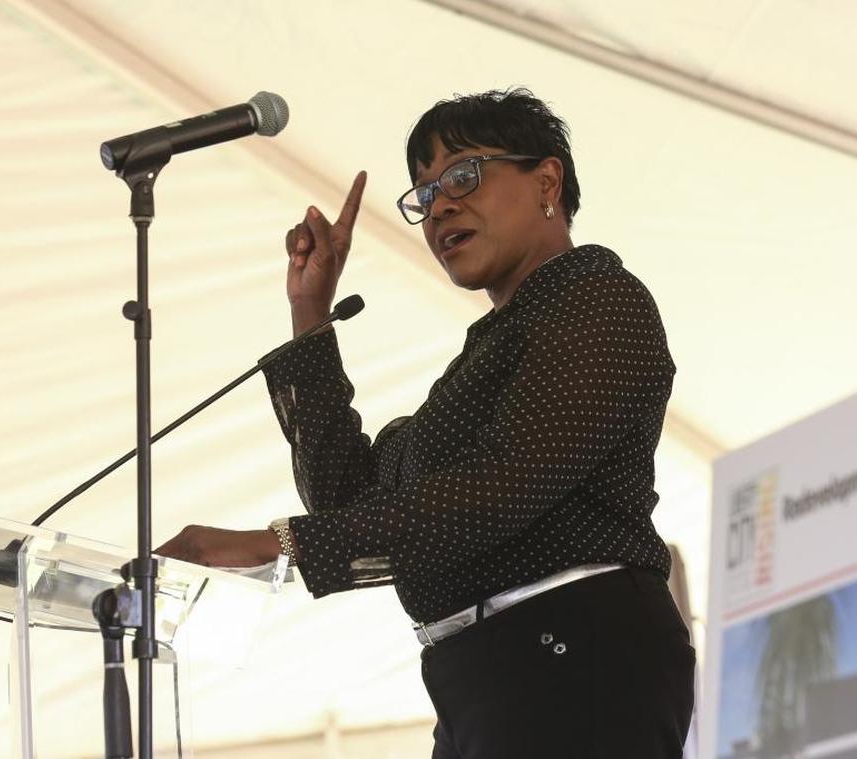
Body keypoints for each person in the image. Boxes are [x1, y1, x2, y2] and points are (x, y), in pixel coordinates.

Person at [156, 88, 695, 758]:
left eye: (462, 176)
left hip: (575, 656)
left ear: (546, 180)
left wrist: (277, 545)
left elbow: (506, 485)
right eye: (424, 194)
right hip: (481, 680)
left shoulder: (600, 300)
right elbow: (349, 501)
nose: (439, 205)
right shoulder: (478, 366)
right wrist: (309, 315)